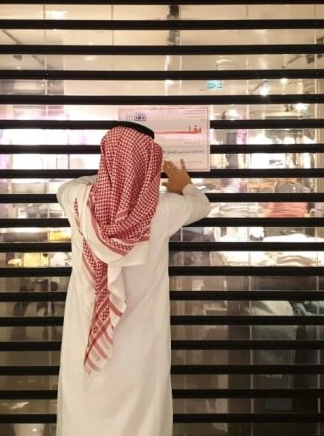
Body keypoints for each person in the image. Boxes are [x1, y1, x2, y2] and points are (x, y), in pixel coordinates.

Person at [55, 122, 211, 436]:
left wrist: (112, 178)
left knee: (83, 411)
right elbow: (202, 206)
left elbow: (69, 186)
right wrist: (184, 185)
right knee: (142, 415)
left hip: (85, 338)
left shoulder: (77, 200)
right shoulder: (162, 210)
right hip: (141, 344)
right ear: (151, 162)